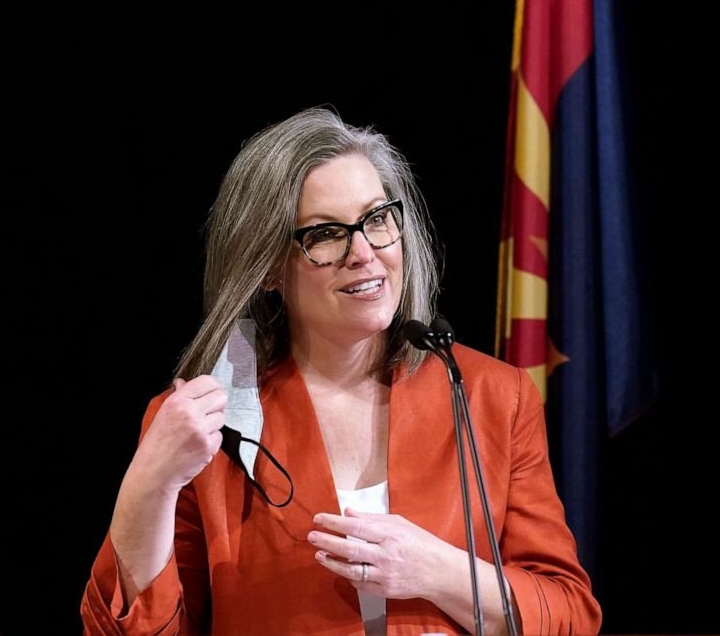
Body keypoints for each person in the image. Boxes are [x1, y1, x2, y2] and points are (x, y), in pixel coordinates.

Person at [80, 107, 601, 635]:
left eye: (377, 219)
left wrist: (437, 570)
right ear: (267, 268)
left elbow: (568, 615)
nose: (364, 253)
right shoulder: (204, 426)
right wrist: (149, 485)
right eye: (327, 233)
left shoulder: (494, 396)